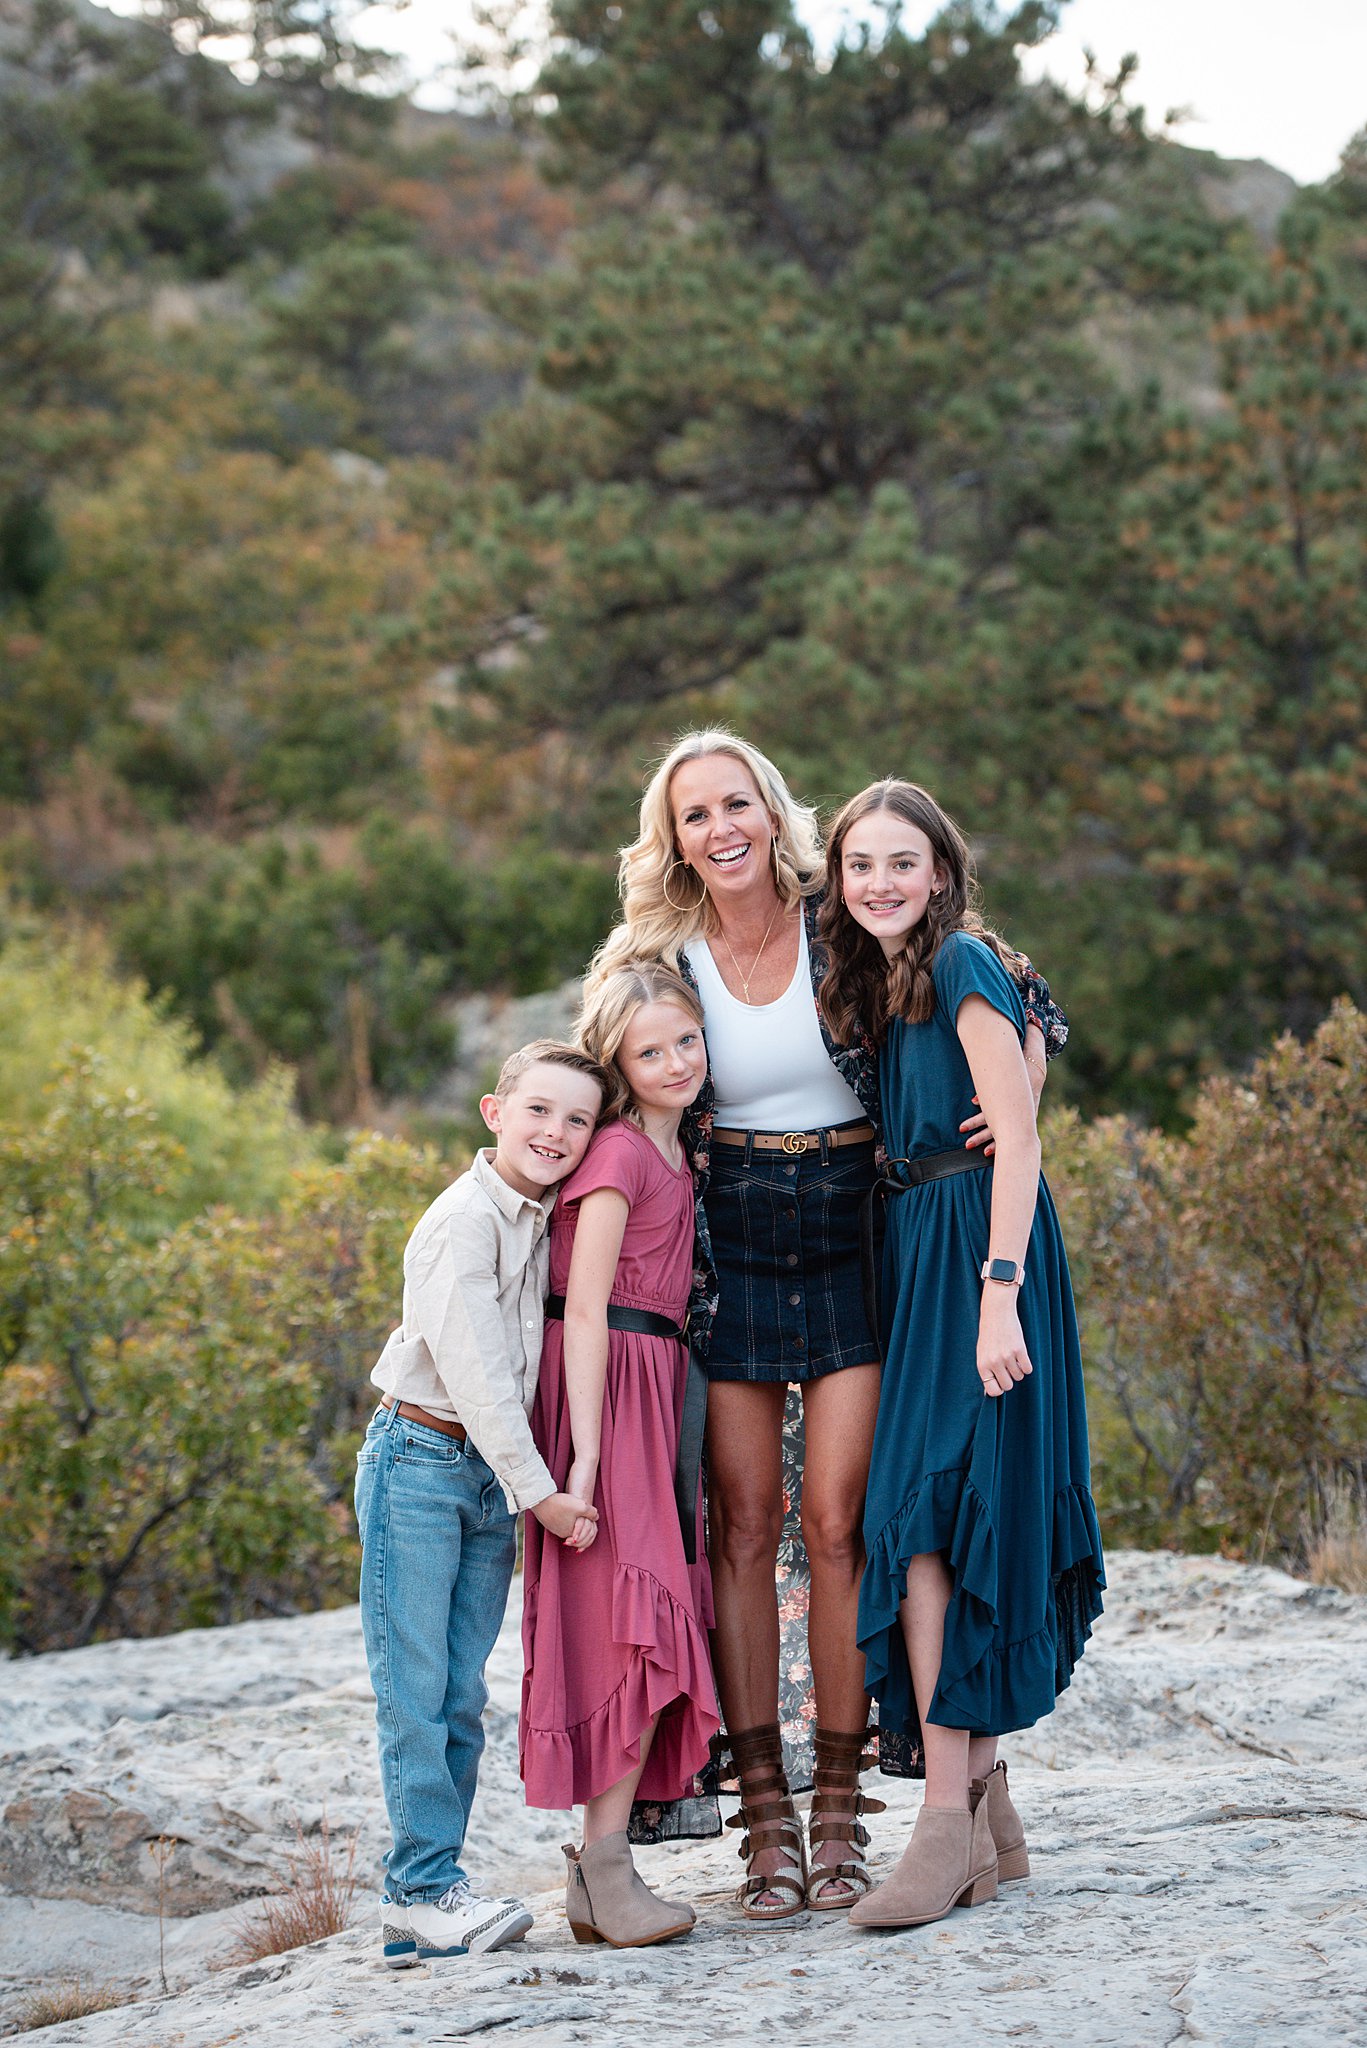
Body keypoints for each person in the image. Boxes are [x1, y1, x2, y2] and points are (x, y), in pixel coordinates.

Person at [588, 731, 1068, 1921]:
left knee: (843, 1518)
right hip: (730, 1235)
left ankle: (848, 1814)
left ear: (770, 809)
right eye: (694, 814)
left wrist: (1010, 1111)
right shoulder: (655, 953)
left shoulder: (836, 918)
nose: (720, 828)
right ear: (673, 837)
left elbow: (1020, 997)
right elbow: (596, 1075)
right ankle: (765, 1823)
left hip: (858, 1225)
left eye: (735, 802)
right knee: (741, 1525)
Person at [815, 779, 1105, 1931]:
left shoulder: (966, 963)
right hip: (913, 1248)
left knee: (937, 1515)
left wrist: (999, 1298)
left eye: (900, 861)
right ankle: (984, 1820)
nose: (878, 882)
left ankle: (943, 1824)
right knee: (933, 1514)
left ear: (940, 871)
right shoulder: (882, 975)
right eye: (857, 865)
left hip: (982, 1247)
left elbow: (1019, 1140)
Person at [356, 1040, 609, 1965]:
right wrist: (541, 1494)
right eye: (539, 1110)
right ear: (495, 1114)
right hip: (422, 1462)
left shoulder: (546, 1219)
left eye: (577, 1119)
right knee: (415, 1689)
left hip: (484, 1480)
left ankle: (425, 1898)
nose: (556, 1132)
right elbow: (476, 1378)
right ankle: (420, 1885)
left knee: (462, 1693)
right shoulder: (463, 1221)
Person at [520, 963, 721, 1948]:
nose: (674, 1062)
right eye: (648, 1051)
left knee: (645, 1609)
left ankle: (600, 1874)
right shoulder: (614, 1153)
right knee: (626, 1617)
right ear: (618, 1061)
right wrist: (589, 1455)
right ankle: (602, 1864)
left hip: (658, 1384)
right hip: (604, 1388)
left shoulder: (678, 1149)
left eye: (685, 1040)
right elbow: (585, 1304)